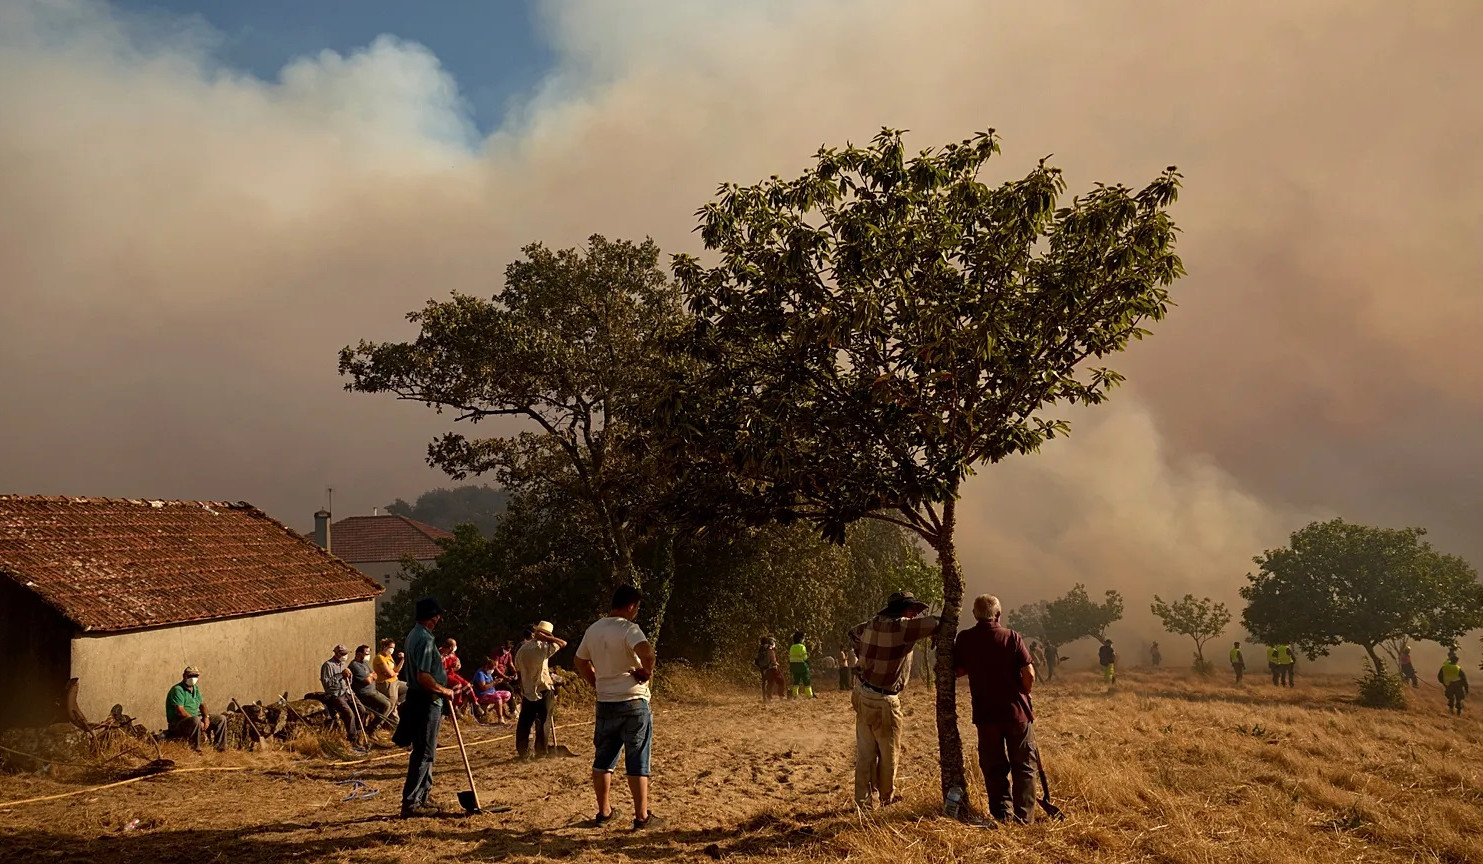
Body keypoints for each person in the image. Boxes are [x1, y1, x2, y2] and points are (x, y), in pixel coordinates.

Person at [575, 585, 663, 831]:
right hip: (633, 700)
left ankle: (604, 813)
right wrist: (646, 671)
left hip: (606, 701)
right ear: (631, 606)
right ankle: (641, 817)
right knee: (637, 759)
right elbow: (647, 653)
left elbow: (580, 661)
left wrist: (596, 682)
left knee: (603, 759)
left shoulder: (594, 629)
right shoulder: (629, 629)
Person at [849, 590, 940, 809]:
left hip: (861, 693)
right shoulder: (903, 628)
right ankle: (886, 798)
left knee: (865, 752)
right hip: (884, 699)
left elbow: (852, 632)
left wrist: (863, 654)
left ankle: (862, 802)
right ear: (903, 611)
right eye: (912, 610)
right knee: (889, 753)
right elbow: (937, 622)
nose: (914, 615)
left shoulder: (871, 624)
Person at [954, 595, 1036, 823]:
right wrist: (1025, 693)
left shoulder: (965, 639)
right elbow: (1029, 674)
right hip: (1017, 713)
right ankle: (1024, 818)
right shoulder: (1012, 637)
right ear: (998, 615)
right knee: (1024, 766)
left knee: (993, 767)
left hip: (986, 715)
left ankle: (1002, 816)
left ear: (974, 615)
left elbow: (957, 671)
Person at [393, 597, 458, 818]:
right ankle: (412, 803)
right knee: (425, 752)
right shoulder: (425, 640)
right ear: (431, 617)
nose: (439, 618)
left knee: (426, 751)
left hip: (420, 699)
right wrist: (444, 690)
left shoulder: (414, 635)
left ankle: (423, 796)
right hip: (427, 700)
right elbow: (423, 676)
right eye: (437, 615)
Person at [515, 621, 568, 758]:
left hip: (528, 690)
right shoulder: (543, 648)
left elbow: (518, 668)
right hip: (543, 688)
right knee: (544, 721)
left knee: (525, 722)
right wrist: (548, 639)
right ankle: (541, 751)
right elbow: (563, 643)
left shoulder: (522, 649)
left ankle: (523, 751)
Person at [164, 665, 225, 750]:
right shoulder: (178, 690)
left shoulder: (196, 689)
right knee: (195, 720)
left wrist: (206, 717)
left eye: (195, 676)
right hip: (179, 723)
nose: (193, 678)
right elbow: (180, 711)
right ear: (184, 676)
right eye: (190, 676)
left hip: (195, 718)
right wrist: (198, 721)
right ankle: (196, 749)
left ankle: (220, 748)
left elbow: (202, 704)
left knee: (221, 719)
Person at [320, 644, 365, 744]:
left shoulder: (344, 664)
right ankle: (352, 738)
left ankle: (359, 733)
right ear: (336, 654)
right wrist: (340, 675)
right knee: (349, 713)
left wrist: (349, 676)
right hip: (335, 694)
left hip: (347, 691)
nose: (345, 656)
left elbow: (349, 681)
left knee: (361, 709)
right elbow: (327, 684)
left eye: (346, 654)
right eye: (342, 654)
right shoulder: (328, 665)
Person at [350, 644, 394, 733]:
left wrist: (370, 675)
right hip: (365, 693)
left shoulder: (365, 663)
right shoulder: (355, 665)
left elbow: (375, 674)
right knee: (386, 705)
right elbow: (367, 681)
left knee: (391, 704)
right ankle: (372, 729)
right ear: (358, 654)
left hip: (373, 691)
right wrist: (370, 676)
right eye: (366, 653)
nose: (368, 656)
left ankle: (374, 727)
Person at [440, 638, 479, 716]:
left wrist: (457, 665)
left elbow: (456, 661)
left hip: (451, 673)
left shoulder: (452, 653)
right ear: (450, 648)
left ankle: (475, 703)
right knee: (457, 684)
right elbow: (440, 669)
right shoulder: (439, 654)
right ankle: (455, 707)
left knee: (467, 684)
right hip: (443, 676)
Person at [373, 637, 407, 722]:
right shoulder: (379, 657)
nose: (392, 650)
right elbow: (390, 673)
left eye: (393, 648)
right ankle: (384, 723)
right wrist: (394, 673)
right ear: (384, 646)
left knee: (410, 688)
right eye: (390, 647)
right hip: (386, 683)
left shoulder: (389, 657)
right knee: (390, 705)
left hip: (395, 681)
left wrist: (403, 659)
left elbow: (396, 670)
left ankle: (397, 703)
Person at [471, 657, 512, 724]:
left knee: (508, 694)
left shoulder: (488, 673)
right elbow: (483, 687)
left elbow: (491, 683)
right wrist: (494, 682)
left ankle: (495, 707)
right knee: (497, 698)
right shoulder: (480, 674)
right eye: (492, 669)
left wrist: (497, 681)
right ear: (486, 667)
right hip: (483, 695)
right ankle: (500, 718)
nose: (492, 671)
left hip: (492, 692)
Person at [754, 637, 784, 702]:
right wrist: (776, 663)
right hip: (772, 668)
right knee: (781, 681)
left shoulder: (760, 650)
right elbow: (772, 659)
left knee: (770, 683)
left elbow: (756, 661)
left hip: (764, 669)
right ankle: (781, 696)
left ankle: (768, 698)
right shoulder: (769, 649)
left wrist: (762, 668)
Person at [1439, 651, 1469, 715]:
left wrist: (1444, 683)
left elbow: (1439, 676)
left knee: (1451, 698)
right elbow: (1464, 679)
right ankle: (1459, 712)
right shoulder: (1457, 668)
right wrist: (1466, 688)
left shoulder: (1444, 667)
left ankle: (1451, 710)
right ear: (1456, 661)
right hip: (1458, 685)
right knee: (1459, 698)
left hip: (1449, 685)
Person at [788, 631, 815, 699]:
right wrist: (809, 663)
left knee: (796, 681)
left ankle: (795, 695)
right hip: (802, 667)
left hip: (794, 666)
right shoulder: (802, 647)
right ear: (800, 639)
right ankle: (809, 695)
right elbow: (805, 658)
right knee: (806, 681)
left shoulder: (792, 647)